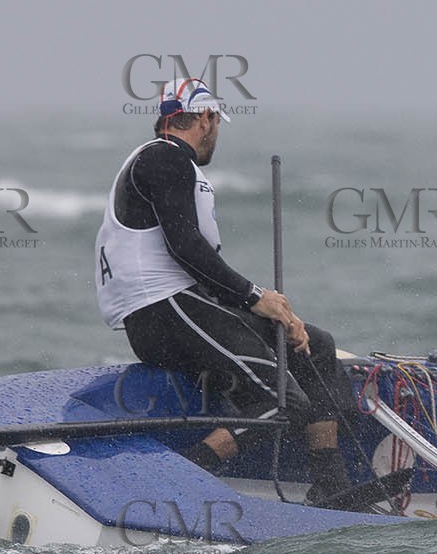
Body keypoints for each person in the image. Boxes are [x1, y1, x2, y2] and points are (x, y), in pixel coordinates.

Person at [94, 77, 362, 508]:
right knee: (281, 403)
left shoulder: (173, 164)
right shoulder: (165, 159)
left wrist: (274, 314)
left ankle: (332, 487)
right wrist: (255, 296)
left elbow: (199, 268)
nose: (215, 134)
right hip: (161, 314)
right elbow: (185, 247)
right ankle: (174, 485)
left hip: (185, 305)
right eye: (216, 123)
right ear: (206, 118)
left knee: (316, 346)